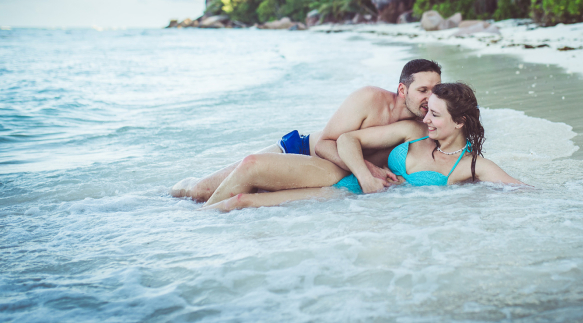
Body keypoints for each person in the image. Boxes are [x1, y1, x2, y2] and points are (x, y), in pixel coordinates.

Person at [202, 82, 527, 212]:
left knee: (244, 202)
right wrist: (367, 174)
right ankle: (186, 233)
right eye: (426, 109)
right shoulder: (411, 132)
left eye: (435, 114)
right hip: (340, 180)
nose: (425, 117)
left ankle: (191, 232)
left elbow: (521, 191)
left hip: (345, 204)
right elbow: (347, 138)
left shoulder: (472, 166)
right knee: (247, 179)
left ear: (459, 123)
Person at [171, 59, 443, 201]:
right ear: (402, 89)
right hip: (298, 150)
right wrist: (365, 169)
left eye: (435, 90)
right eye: (423, 90)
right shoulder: (370, 99)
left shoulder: (425, 123)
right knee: (200, 192)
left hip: (324, 174)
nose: (429, 98)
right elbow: (326, 143)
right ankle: (177, 189)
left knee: (248, 197)